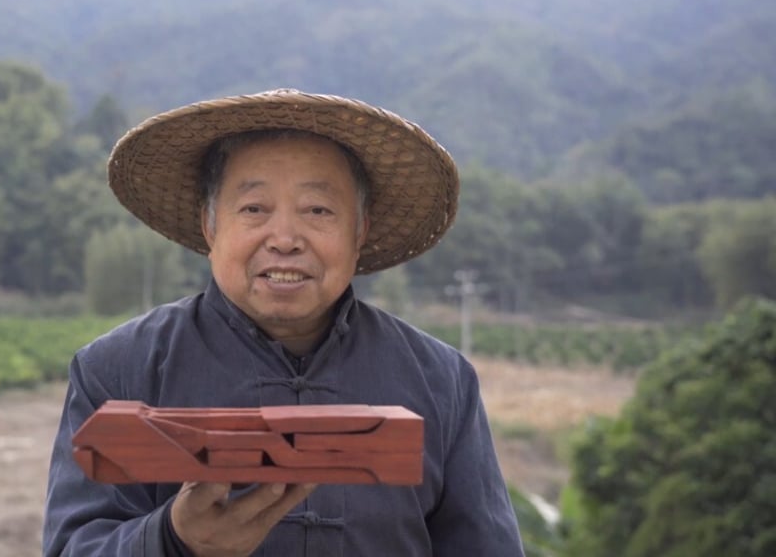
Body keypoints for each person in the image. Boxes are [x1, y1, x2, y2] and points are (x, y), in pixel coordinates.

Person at [42, 89, 524, 556]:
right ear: (211, 226)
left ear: (360, 232)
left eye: (318, 210)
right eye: (254, 209)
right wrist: (174, 540)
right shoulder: (118, 369)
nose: (285, 238)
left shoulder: (441, 381)